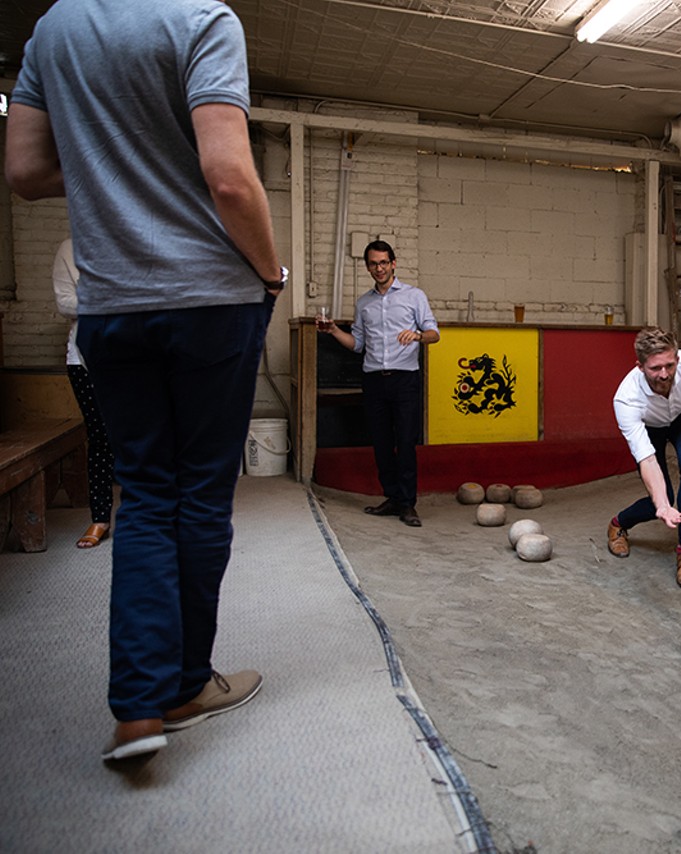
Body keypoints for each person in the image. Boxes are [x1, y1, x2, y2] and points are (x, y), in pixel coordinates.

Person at [7, 0, 286, 763]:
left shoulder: (53, 31)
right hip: (210, 299)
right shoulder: (200, 19)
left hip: (113, 307)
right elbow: (229, 178)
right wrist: (271, 274)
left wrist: (111, 173)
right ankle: (185, 684)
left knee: (146, 494)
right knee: (198, 493)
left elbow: (25, 172)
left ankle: (136, 708)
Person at [321, 240, 439, 527]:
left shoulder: (414, 296)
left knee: (406, 442)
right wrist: (335, 330)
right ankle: (392, 498)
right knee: (381, 444)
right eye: (373, 264)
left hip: (405, 380)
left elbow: (434, 333)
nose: (379, 268)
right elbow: (357, 344)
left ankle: (408, 504)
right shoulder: (364, 303)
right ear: (368, 267)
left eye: (384, 262)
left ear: (393, 263)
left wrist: (418, 336)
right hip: (374, 381)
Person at [606, 327, 681, 588]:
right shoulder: (626, 400)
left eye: (670, 365)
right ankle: (618, 524)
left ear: (678, 359)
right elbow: (647, 459)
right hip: (651, 427)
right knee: (659, 500)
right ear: (640, 366)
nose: (664, 374)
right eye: (655, 368)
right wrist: (661, 505)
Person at [51, 237, 116, 549]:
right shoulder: (70, 248)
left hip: (138, 360)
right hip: (84, 360)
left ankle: (143, 520)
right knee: (101, 439)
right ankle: (100, 518)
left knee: (144, 440)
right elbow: (65, 303)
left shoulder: (134, 242)